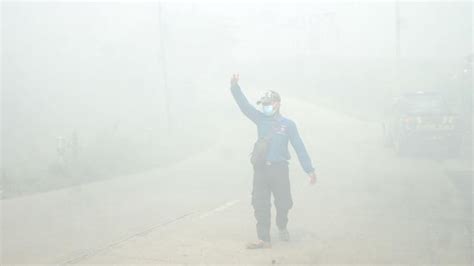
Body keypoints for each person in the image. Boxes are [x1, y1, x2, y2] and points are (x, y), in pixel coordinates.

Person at [229, 74, 317, 249]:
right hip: (261, 169)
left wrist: (309, 169)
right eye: (263, 104)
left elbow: (299, 146)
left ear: (277, 104)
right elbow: (244, 106)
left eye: (268, 104)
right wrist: (235, 87)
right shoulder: (260, 119)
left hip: (280, 169)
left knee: (284, 202)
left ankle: (282, 225)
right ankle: (264, 239)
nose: (265, 107)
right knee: (260, 203)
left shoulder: (288, 125)